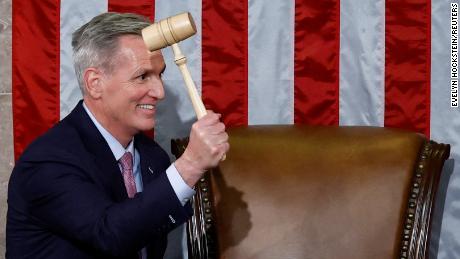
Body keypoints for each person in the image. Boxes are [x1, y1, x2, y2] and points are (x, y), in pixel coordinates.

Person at [6, 12, 229, 259]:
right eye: (143, 76)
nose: (159, 91)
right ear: (94, 83)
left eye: (160, 74)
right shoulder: (47, 161)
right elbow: (109, 234)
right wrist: (190, 165)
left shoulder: (152, 157)